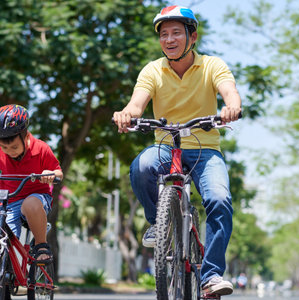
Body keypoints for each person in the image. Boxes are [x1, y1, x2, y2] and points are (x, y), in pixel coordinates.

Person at [113, 5, 241, 296]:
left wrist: (231, 106)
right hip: (165, 146)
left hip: (205, 148)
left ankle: (210, 276)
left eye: (176, 33)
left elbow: (229, 90)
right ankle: (159, 223)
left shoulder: (212, 65)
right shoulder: (153, 70)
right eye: (163, 35)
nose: (169, 40)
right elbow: (136, 104)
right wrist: (126, 113)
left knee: (220, 200)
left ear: (192, 36)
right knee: (141, 167)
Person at [0, 104, 63, 264]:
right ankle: (2, 285)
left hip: (37, 198)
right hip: (10, 203)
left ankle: (41, 244)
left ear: (26, 136)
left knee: (30, 203)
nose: (9, 151)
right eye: (5, 147)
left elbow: (58, 173)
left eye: (14, 146)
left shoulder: (41, 149)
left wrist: (49, 174)